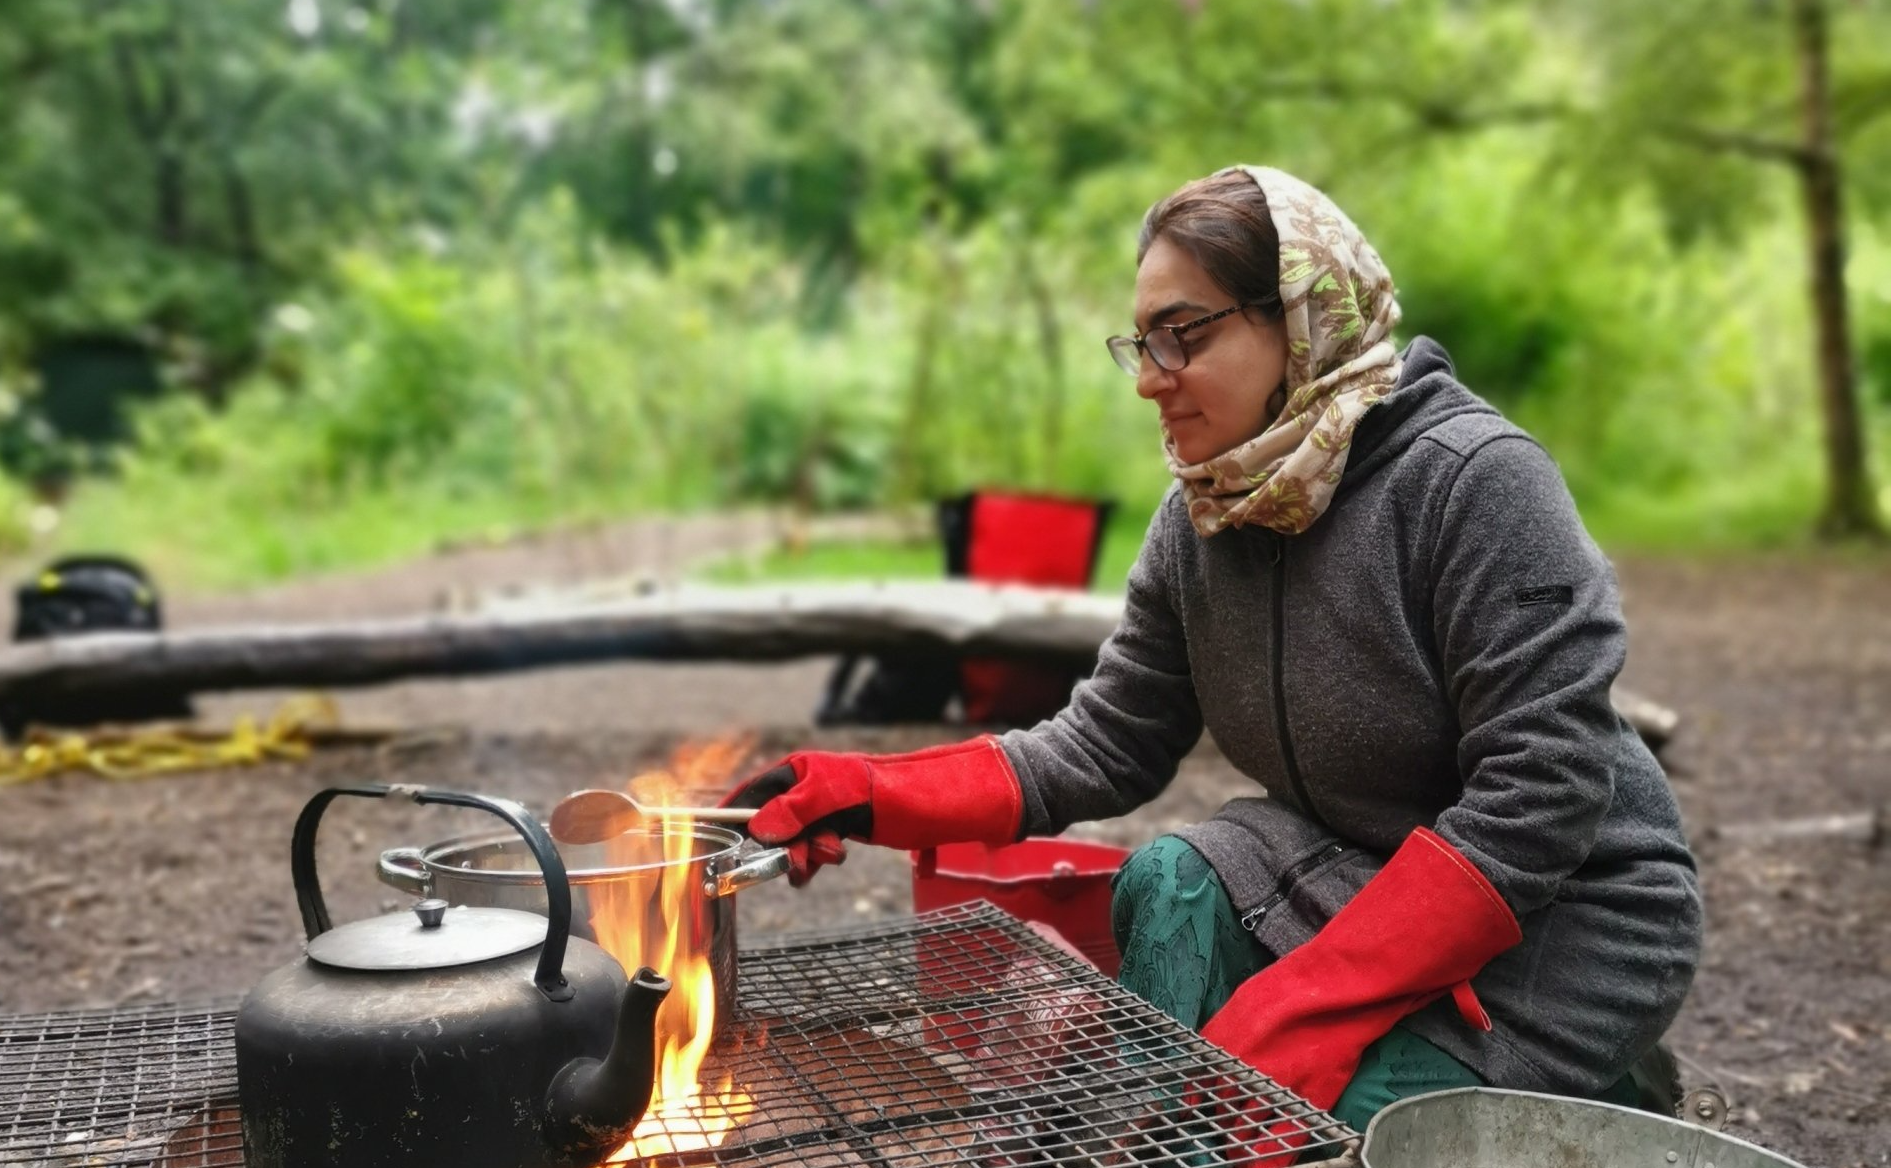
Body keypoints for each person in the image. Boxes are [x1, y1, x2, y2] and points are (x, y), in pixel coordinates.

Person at [721, 165, 1702, 1136]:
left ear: (1300, 317)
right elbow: (1107, 741)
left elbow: (1539, 799)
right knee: (1173, 890)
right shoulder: (1204, 513)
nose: (1150, 377)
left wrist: (1309, 1003)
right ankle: (1166, 1130)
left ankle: (1599, 1098)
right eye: (1140, 343)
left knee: (1316, 1120)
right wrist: (867, 791)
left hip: (1561, 922)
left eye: (1183, 335)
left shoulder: (1475, 483)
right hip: (1356, 867)